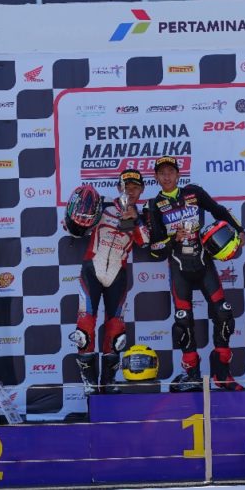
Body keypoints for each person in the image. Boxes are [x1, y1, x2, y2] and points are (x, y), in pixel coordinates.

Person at [145, 155, 245, 392]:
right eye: (162, 173)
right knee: (183, 321)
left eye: (171, 172)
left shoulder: (194, 192)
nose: (167, 176)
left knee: (223, 313)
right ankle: (192, 375)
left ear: (178, 175)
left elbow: (219, 210)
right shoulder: (153, 205)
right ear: (156, 177)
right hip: (179, 266)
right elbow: (154, 248)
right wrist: (173, 239)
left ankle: (222, 373)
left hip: (204, 262)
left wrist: (239, 229)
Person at [65, 169, 149, 395]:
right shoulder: (101, 206)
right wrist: (73, 222)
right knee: (85, 327)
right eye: (126, 187)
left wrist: (135, 219)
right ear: (119, 188)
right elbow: (75, 225)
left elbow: (146, 241)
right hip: (91, 272)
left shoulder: (143, 215)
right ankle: (90, 382)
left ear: (142, 190)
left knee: (116, 330)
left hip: (117, 276)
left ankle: (109, 381)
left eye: (135, 188)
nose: (130, 191)